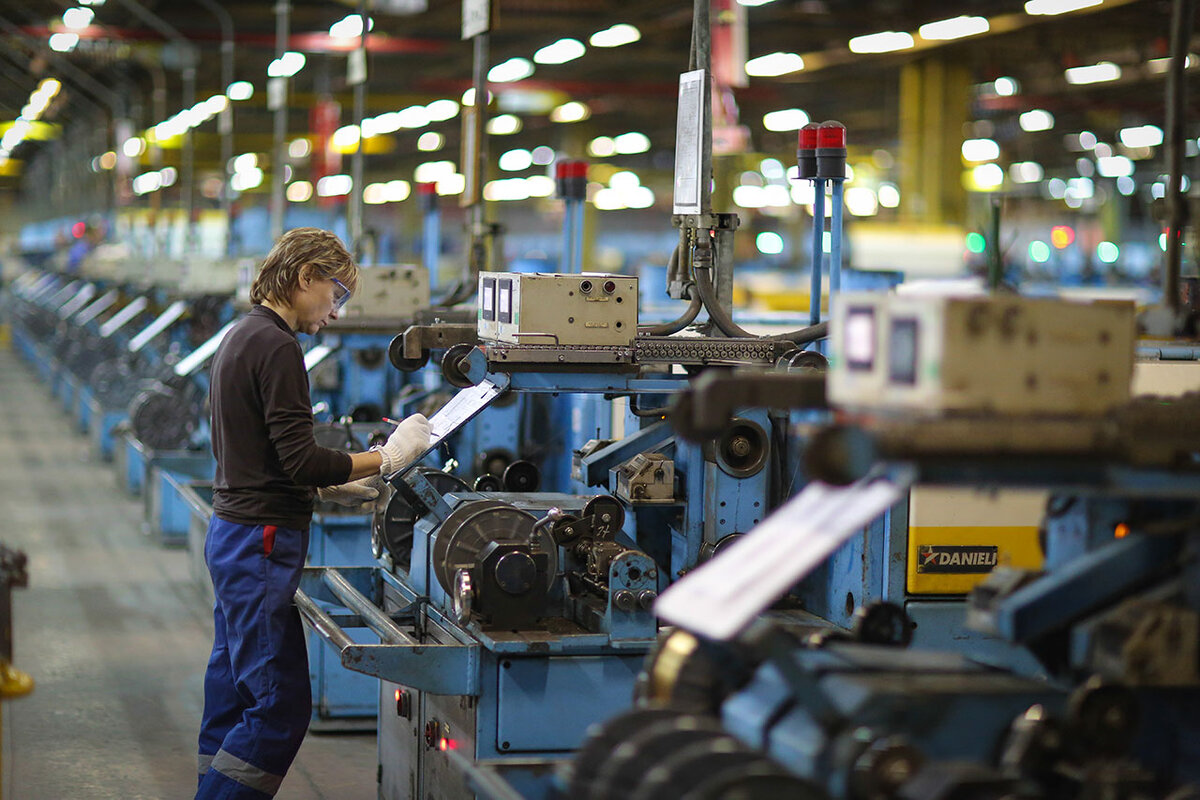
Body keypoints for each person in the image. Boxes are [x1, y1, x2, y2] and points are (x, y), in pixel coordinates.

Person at [196, 227, 430, 799]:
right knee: (279, 706)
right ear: (305, 278)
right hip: (260, 544)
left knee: (233, 691)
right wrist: (385, 456)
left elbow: (259, 453)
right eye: (337, 293)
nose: (335, 310)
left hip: (236, 534)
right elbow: (299, 458)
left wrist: (332, 487)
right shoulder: (277, 346)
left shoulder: (241, 335)